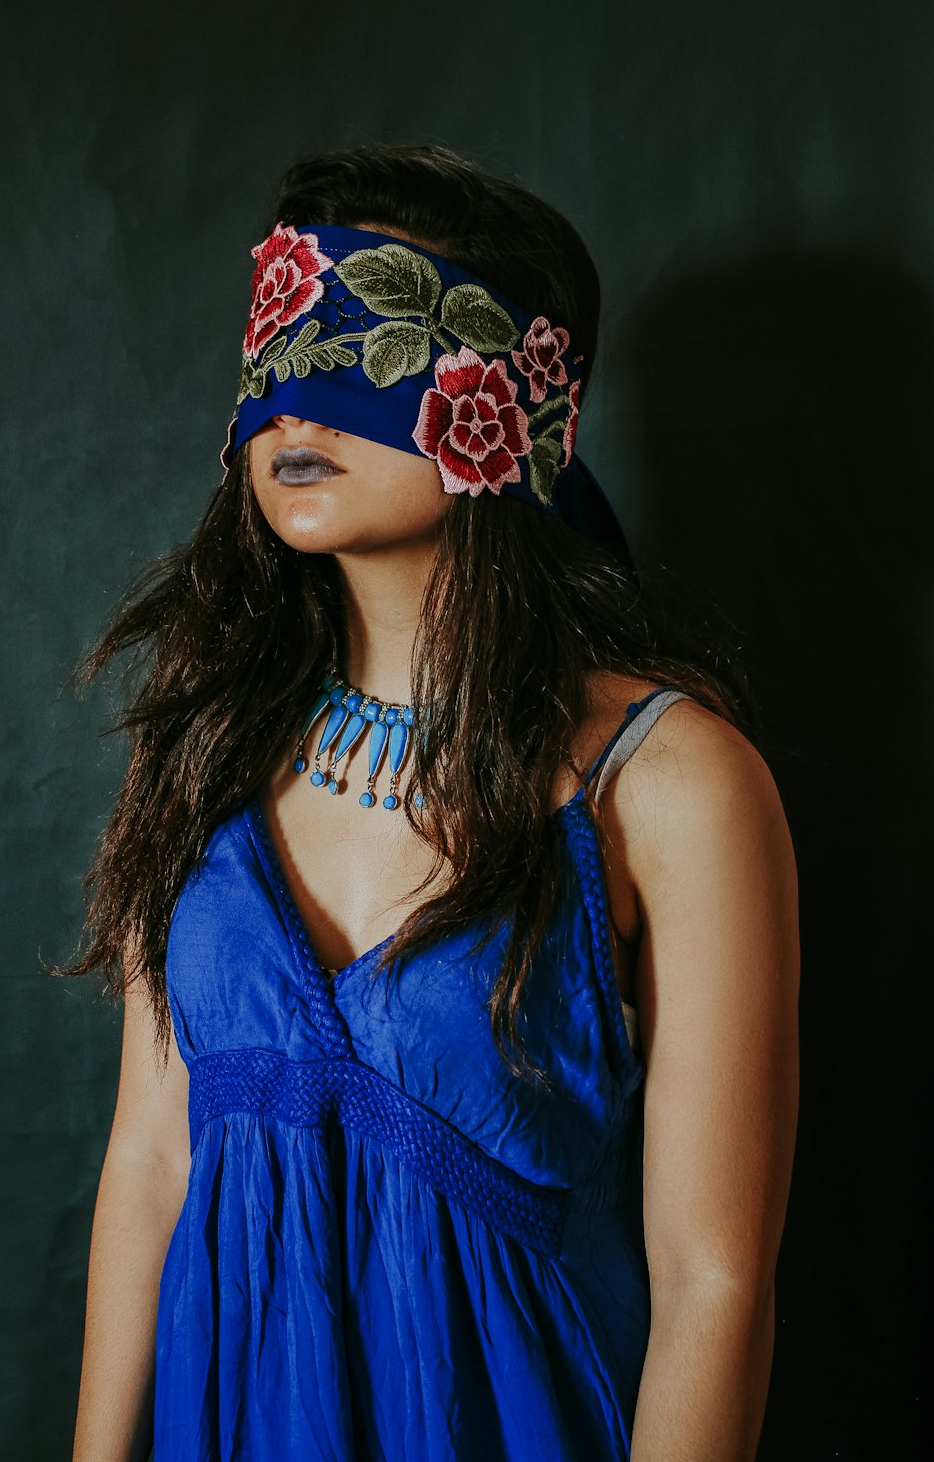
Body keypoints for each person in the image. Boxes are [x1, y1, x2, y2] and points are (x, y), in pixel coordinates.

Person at [66, 142, 800, 1462]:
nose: (298, 412)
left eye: (359, 352)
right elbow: (151, 1164)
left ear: (504, 414)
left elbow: (715, 1281)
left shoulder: (673, 783)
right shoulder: (200, 751)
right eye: (280, 354)